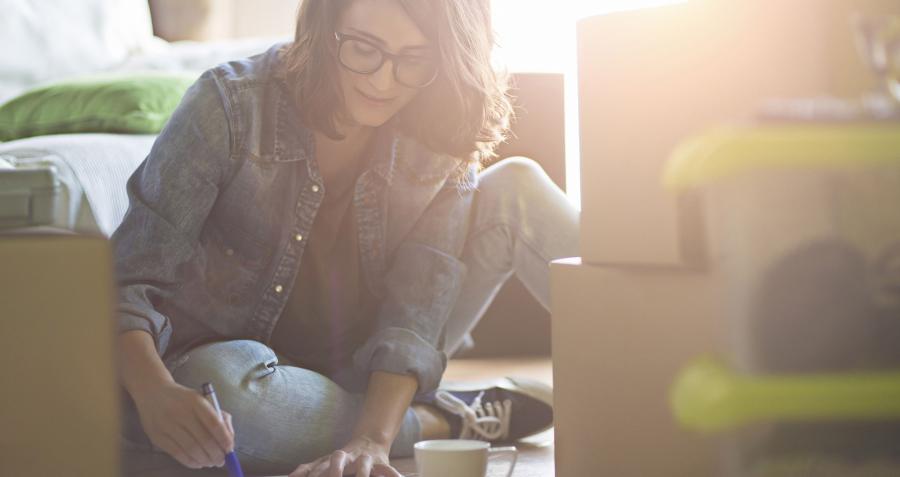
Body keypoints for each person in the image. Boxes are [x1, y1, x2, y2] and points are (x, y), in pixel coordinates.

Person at [113, 0, 579, 475]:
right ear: (325, 28)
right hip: (238, 370)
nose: (382, 80)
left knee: (519, 185)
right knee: (223, 398)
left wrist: (372, 440)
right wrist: (154, 393)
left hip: (371, 358)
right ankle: (440, 420)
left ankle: (654, 374)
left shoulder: (437, 123)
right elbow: (125, 282)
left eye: (414, 58)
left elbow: (415, 313)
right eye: (363, 48)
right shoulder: (229, 106)